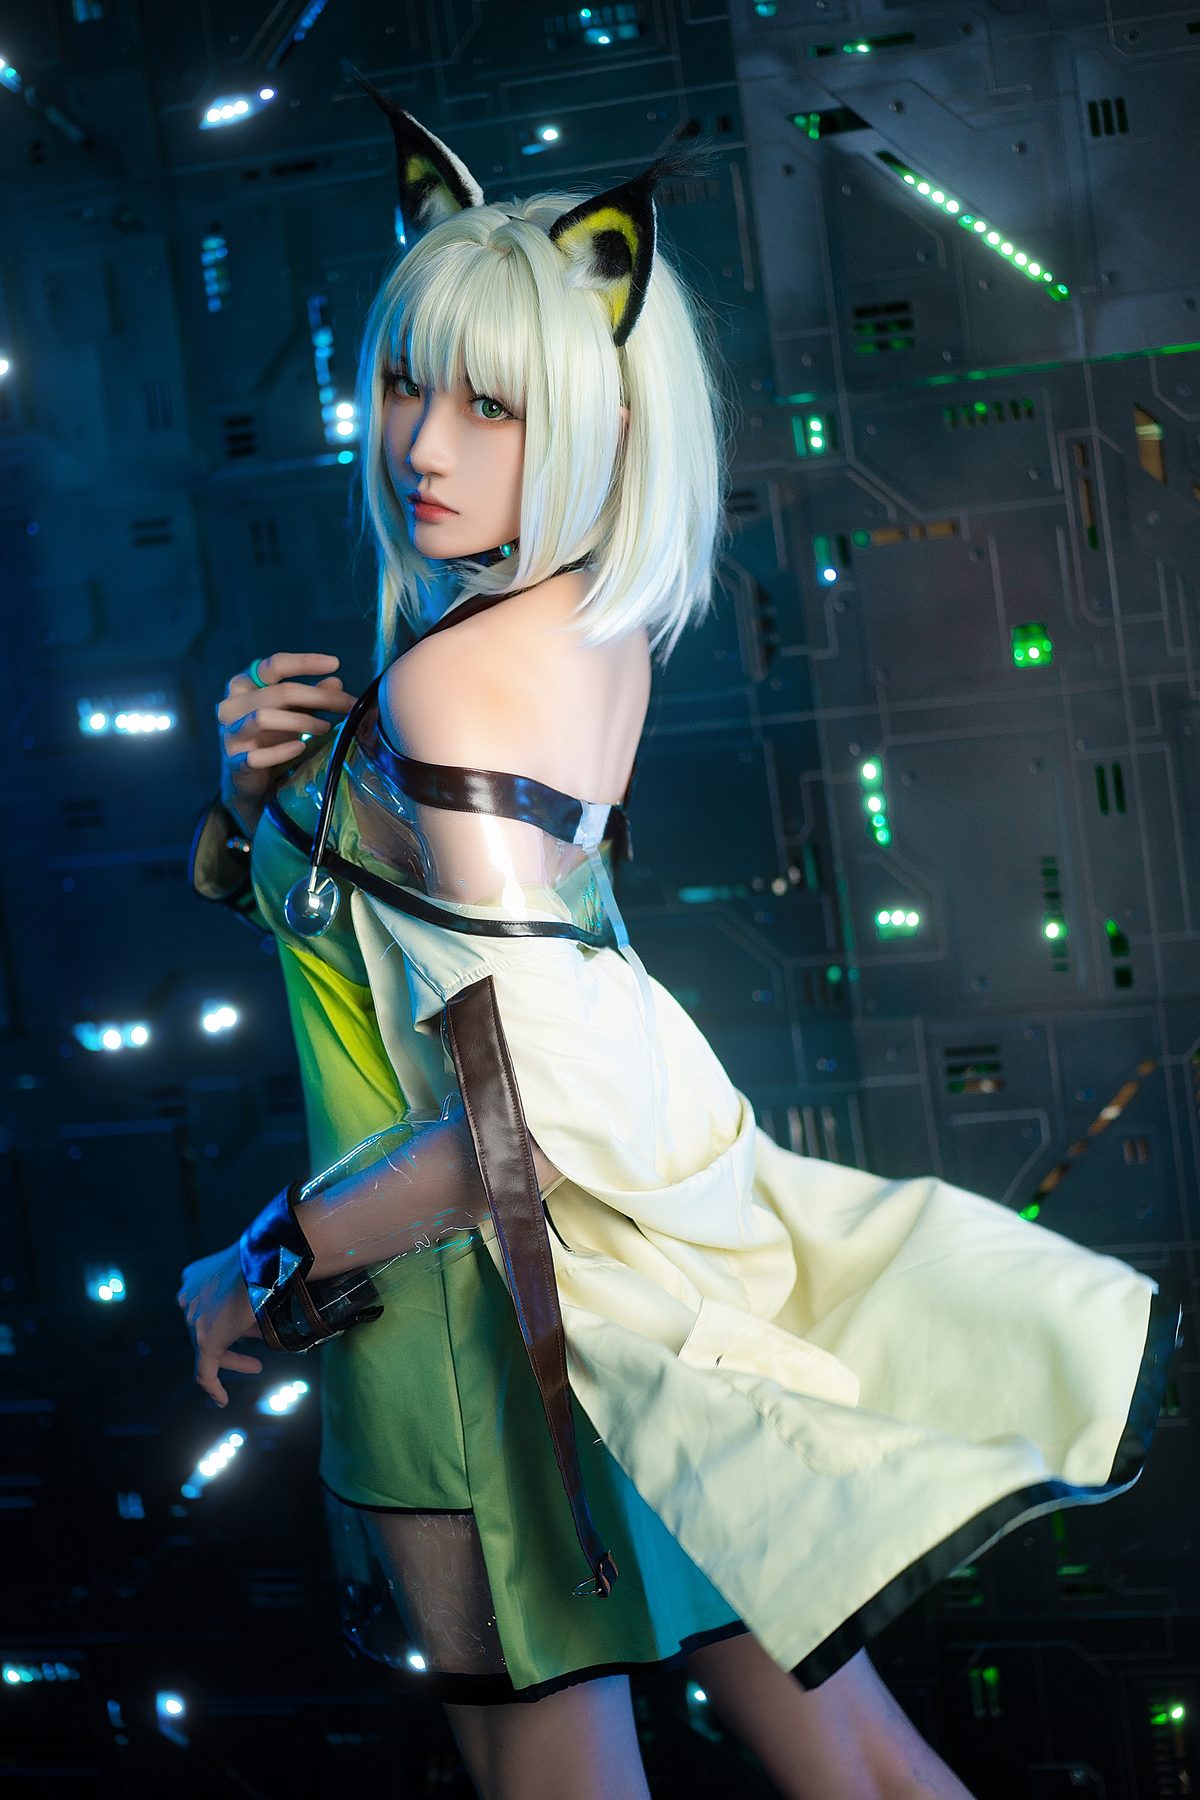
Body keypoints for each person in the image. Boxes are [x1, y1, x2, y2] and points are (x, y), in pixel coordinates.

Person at [177, 71, 1180, 1800]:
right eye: (407, 382)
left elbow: (524, 1111)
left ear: (597, 413)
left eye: (492, 404)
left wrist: (264, 1260)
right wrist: (249, 804)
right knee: (857, 1756)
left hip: (480, 1331)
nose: (423, 445)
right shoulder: (579, 630)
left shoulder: (457, 677)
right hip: (643, 1287)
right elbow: (457, 982)